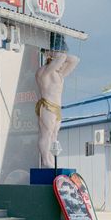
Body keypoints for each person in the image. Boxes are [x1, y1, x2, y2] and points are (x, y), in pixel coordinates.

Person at [35, 33, 79, 167]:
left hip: (57, 107)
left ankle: (51, 159)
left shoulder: (59, 74)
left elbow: (75, 60)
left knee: (54, 134)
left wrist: (55, 53)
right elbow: (62, 58)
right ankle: (45, 160)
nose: (62, 64)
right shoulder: (44, 72)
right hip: (47, 105)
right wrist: (51, 52)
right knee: (46, 133)